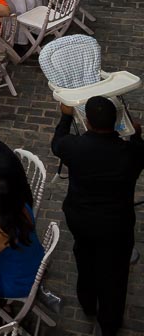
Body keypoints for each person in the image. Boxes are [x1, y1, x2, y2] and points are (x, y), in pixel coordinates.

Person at [51, 97, 144, 336]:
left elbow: (57, 143)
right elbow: (138, 150)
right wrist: (136, 134)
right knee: (115, 273)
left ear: (88, 122)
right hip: (116, 224)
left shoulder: (74, 147)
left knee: (85, 258)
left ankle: (88, 301)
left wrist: (66, 115)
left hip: (82, 219)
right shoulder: (130, 152)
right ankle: (110, 321)